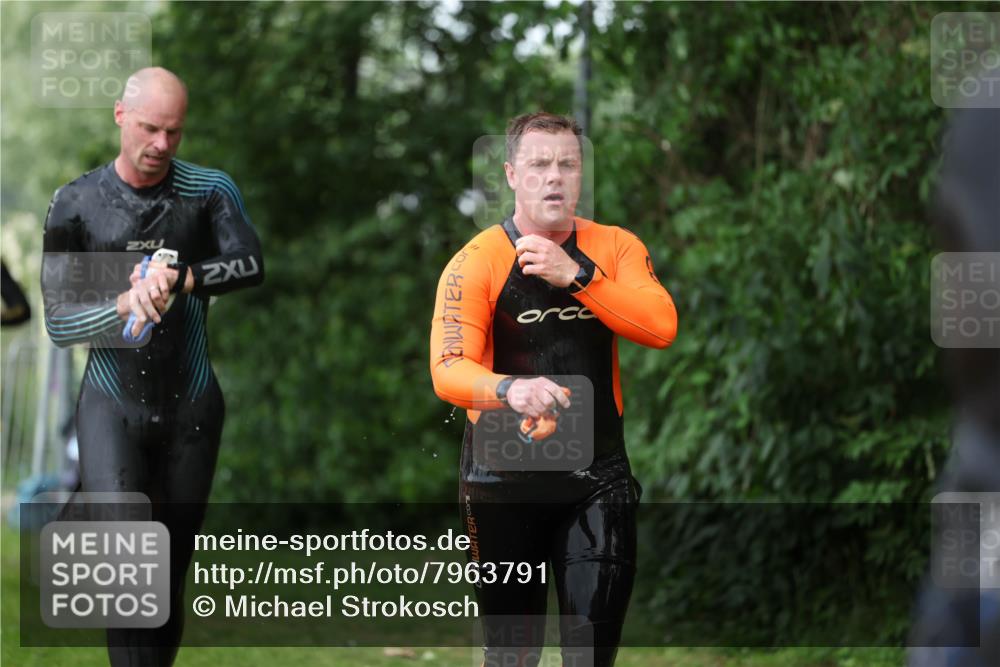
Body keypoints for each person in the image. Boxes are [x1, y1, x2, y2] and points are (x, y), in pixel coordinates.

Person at [430, 112, 677, 667]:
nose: (555, 178)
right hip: (500, 482)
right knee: (511, 658)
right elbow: (448, 370)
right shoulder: (476, 262)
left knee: (590, 656)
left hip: (597, 477)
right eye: (540, 165)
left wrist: (578, 276)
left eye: (568, 164)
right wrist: (508, 390)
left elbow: (661, 327)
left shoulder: (613, 248)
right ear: (512, 174)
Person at [40, 67, 264, 667]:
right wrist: (117, 303)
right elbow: (59, 323)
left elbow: (249, 263)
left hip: (191, 404)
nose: (161, 145)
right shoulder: (77, 204)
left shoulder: (208, 190)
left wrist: (187, 277)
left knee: (166, 574)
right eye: (149, 129)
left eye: (174, 132)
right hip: (111, 405)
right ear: (120, 115)